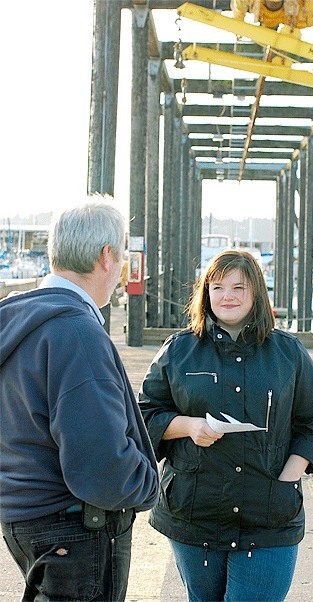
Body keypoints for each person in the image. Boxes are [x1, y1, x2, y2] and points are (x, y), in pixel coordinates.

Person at [139, 249, 313, 602]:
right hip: (195, 513)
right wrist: (188, 426)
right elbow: (145, 415)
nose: (227, 296)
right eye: (217, 287)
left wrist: (289, 478)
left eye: (238, 287)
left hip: (269, 514)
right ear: (205, 294)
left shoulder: (288, 353)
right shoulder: (179, 350)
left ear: (256, 292)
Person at [0, 197, 159, 602]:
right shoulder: (77, 332)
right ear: (107, 256)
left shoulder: (18, 320)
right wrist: (147, 483)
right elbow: (101, 465)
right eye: (121, 256)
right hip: (74, 527)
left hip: (22, 517)